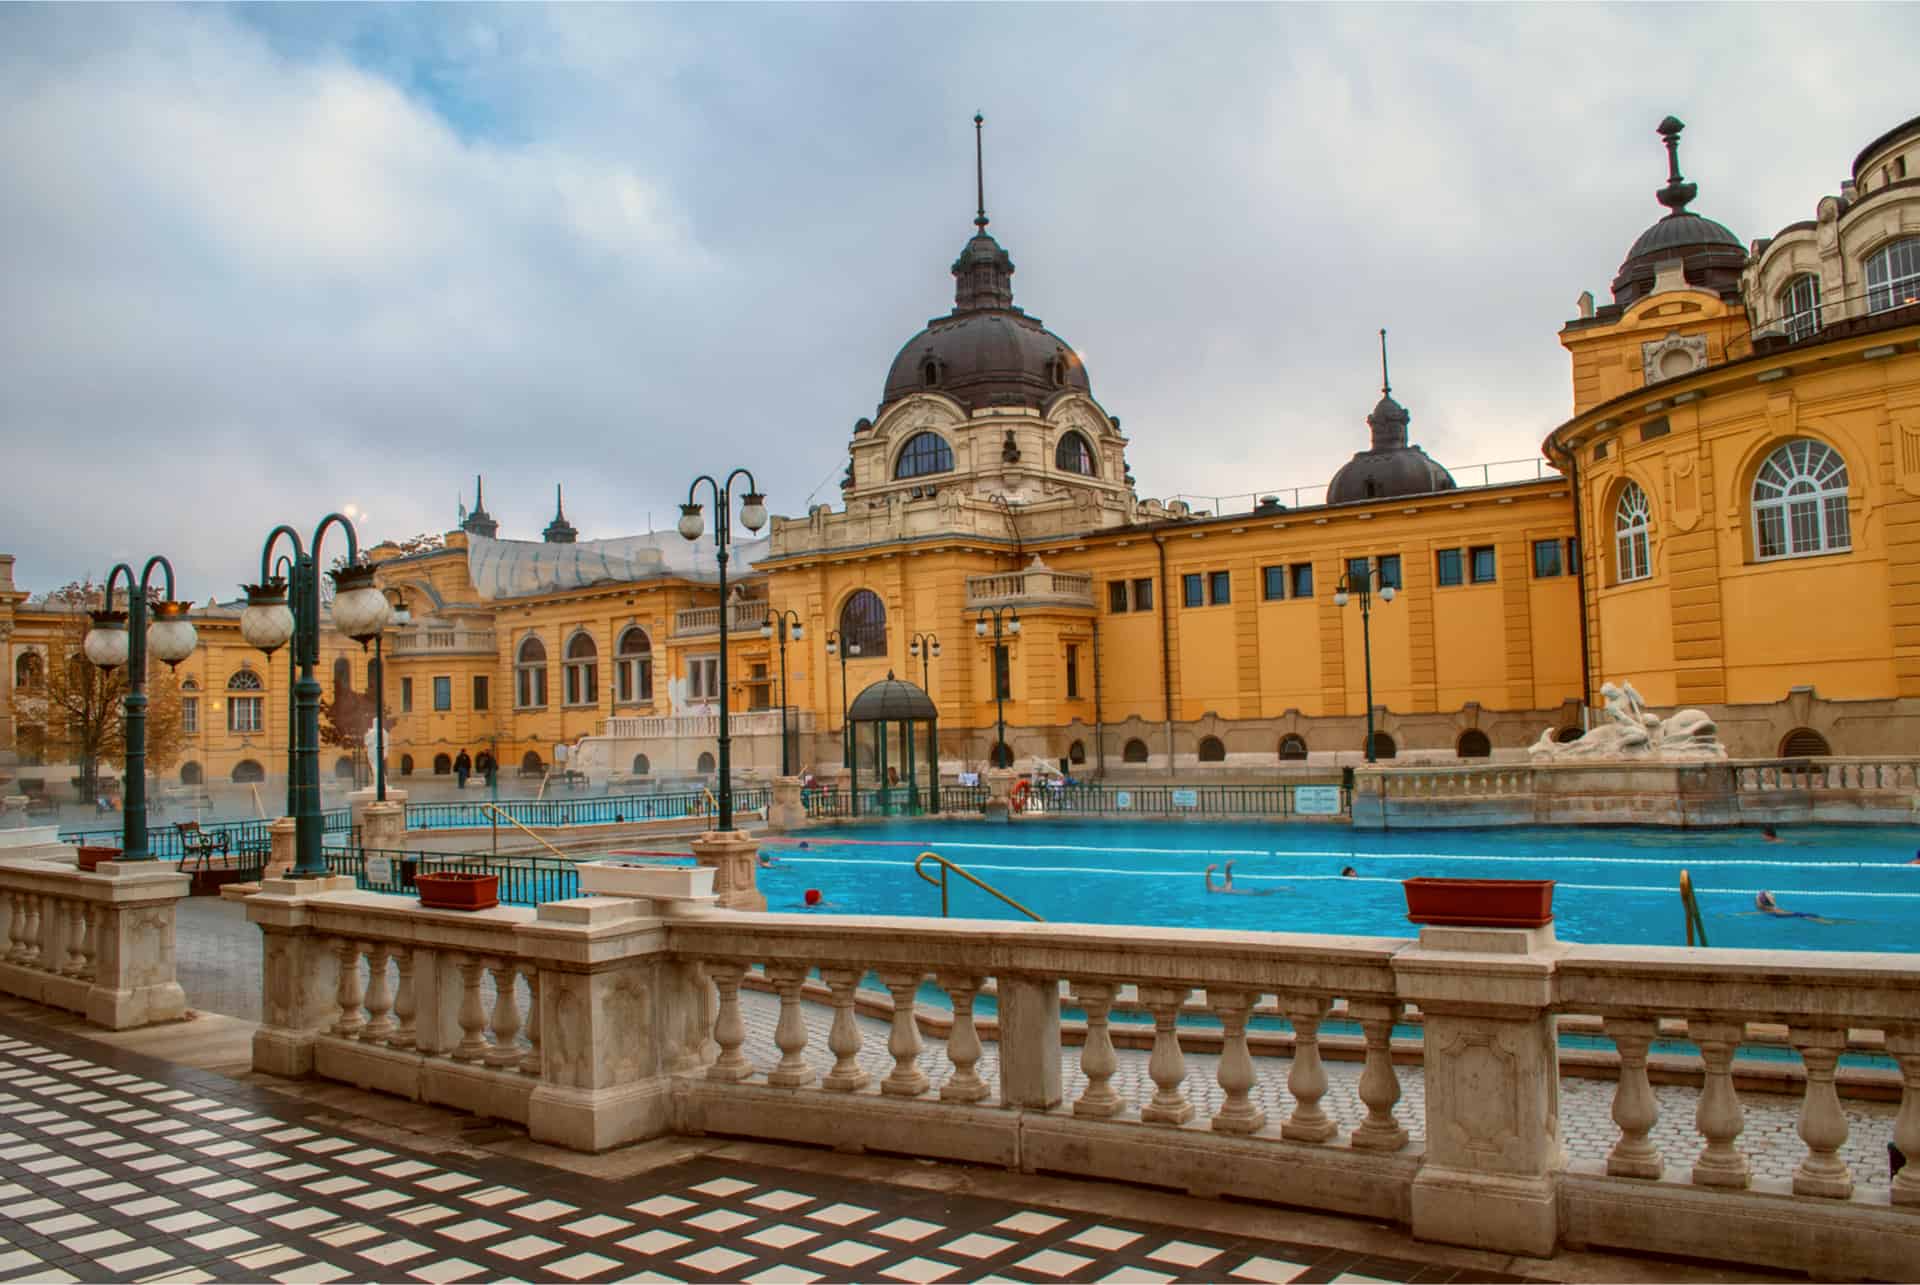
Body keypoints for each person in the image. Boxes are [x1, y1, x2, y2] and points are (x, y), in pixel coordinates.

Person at [1204, 861, 1273, 896]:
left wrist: (1227, 868)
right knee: (1268, 892)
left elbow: (1229, 881)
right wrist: (1208, 872)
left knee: (1268, 892)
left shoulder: (1222, 890)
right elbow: (1229, 881)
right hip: (1247, 892)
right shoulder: (1218, 890)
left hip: (1246, 892)